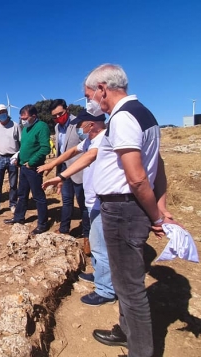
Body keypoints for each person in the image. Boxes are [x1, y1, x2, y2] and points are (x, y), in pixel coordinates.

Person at [84, 64, 178, 357]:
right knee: (127, 282)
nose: (90, 102)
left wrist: (157, 216)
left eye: (88, 95)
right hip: (128, 209)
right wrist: (159, 205)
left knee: (130, 289)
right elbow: (157, 165)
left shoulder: (123, 118)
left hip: (123, 210)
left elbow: (138, 177)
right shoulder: (144, 113)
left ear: (102, 88)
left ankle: (140, 351)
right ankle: (125, 331)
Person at [39, 110, 116, 306]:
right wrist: (54, 163)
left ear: (93, 124)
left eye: (82, 124)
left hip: (100, 199)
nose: (80, 127)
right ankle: (99, 275)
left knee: (100, 245)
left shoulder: (103, 140)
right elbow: (72, 151)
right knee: (97, 242)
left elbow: (88, 158)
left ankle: (106, 290)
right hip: (93, 197)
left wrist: (61, 177)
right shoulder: (90, 139)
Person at [4, 105, 50, 234]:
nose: (22, 120)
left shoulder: (42, 127)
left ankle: (42, 224)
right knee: (22, 194)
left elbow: (45, 148)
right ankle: (18, 217)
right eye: (20, 118)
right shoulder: (25, 129)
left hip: (33, 168)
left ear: (33, 116)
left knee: (38, 196)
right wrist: (19, 158)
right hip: (23, 166)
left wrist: (32, 162)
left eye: (24, 118)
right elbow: (24, 146)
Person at [49, 99, 89, 238]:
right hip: (64, 170)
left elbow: (89, 145)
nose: (58, 118)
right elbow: (60, 150)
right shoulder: (57, 127)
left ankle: (86, 233)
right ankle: (64, 228)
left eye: (60, 114)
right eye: (54, 116)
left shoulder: (79, 124)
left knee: (83, 203)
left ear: (68, 109)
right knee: (66, 201)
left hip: (80, 171)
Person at [0, 104, 21, 219]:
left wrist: (18, 156)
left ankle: (13, 205)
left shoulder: (15, 125)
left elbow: (20, 142)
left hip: (13, 158)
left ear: (7, 112)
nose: (2, 114)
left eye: (3, 112)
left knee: (13, 184)